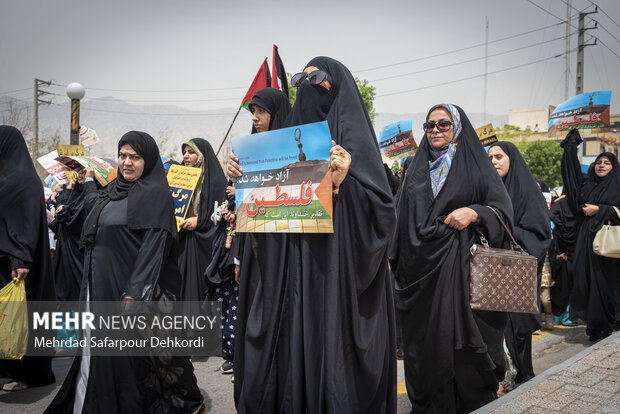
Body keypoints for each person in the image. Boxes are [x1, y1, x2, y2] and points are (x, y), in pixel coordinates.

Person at [230, 58, 397, 413]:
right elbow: (263, 219)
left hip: (333, 282)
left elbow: (382, 217)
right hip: (287, 283)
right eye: (301, 79)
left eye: (317, 78)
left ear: (337, 86)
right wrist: (244, 179)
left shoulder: (358, 150)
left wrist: (343, 186)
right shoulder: (281, 144)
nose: (307, 84)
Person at [46, 131, 203, 413]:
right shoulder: (111, 191)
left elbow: (154, 248)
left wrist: (135, 292)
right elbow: (86, 216)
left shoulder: (156, 195)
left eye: (135, 157)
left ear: (149, 160)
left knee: (142, 356)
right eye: (123, 156)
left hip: (131, 288)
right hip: (100, 285)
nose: (127, 162)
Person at [390, 104, 513, 412]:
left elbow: (504, 213)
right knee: (425, 350)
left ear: (457, 127)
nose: (435, 130)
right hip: (419, 277)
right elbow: (399, 218)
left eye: (443, 124)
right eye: (429, 126)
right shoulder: (415, 170)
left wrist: (475, 212)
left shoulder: (475, 167)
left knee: (464, 355)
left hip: (463, 277)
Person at [488, 141, 551, 384]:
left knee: (515, 330)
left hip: (515, 273)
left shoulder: (527, 191)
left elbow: (540, 235)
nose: (493, 161)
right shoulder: (490, 190)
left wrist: (503, 224)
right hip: (490, 271)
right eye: (490, 157)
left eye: (499, 156)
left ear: (512, 159)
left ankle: (519, 377)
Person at [0, 125, 56, 391]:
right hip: (5, 260)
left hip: (19, 265)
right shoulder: (6, 176)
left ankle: (29, 374)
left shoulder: (24, 180)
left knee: (21, 317)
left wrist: (19, 259)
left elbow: (26, 223)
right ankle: (9, 368)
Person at [560, 129, 620, 341]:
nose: (601, 165)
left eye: (607, 163)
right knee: (587, 281)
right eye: (599, 162)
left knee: (607, 284)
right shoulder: (588, 185)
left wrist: (601, 210)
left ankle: (609, 321)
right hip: (586, 239)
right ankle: (595, 326)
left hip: (609, 243)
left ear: (614, 168)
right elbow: (573, 178)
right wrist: (571, 147)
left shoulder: (618, 186)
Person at [177, 138, 227, 303]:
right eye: (184, 152)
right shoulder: (180, 179)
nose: (186, 156)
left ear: (203, 155)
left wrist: (200, 221)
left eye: (191, 152)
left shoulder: (216, 182)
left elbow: (219, 216)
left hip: (204, 243)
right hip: (183, 240)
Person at [49, 166, 98, 302]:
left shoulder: (93, 193)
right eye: (78, 170)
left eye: (84, 171)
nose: (80, 173)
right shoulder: (73, 191)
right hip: (64, 248)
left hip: (79, 251)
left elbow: (82, 216)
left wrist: (66, 212)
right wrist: (68, 189)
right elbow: (62, 214)